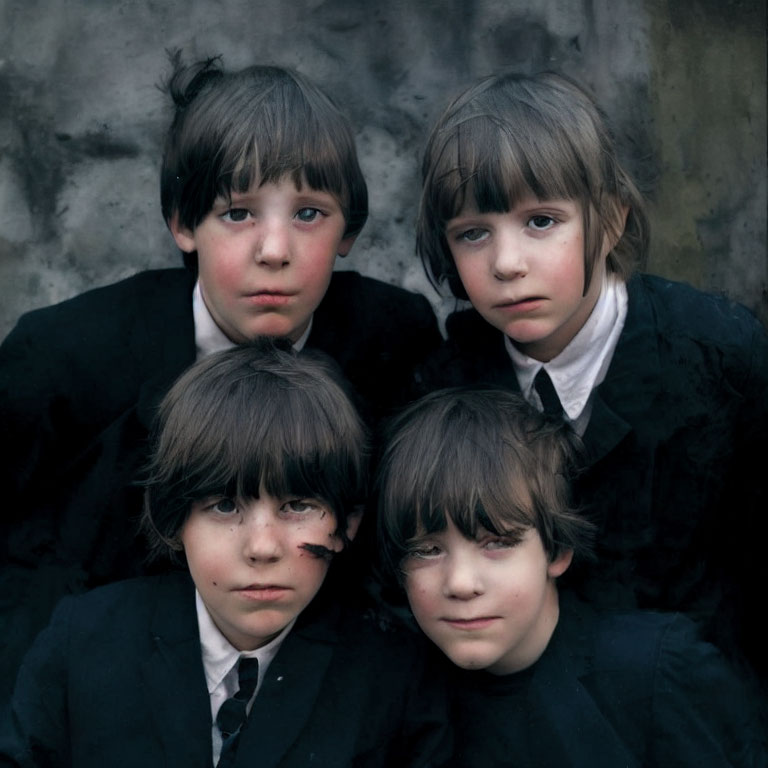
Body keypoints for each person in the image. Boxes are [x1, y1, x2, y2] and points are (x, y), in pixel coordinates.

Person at [0, 56, 440, 699]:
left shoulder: (391, 341)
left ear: (350, 230)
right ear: (183, 225)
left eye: (310, 214)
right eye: (238, 214)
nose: (274, 249)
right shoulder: (63, 357)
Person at [413, 71, 768, 684]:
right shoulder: (446, 384)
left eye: (541, 221)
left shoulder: (722, 358)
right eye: (473, 233)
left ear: (610, 220)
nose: (506, 263)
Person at [0, 342, 450, 768]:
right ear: (173, 519)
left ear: (346, 524)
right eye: (224, 506)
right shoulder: (82, 642)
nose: (260, 548)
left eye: (297, 506)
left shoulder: (394, 674)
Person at [375, 387, 766, 766]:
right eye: (427, 550)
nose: (460, 583)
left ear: (557, 550)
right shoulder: (398, 697)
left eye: (496, 542)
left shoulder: (653, 672)